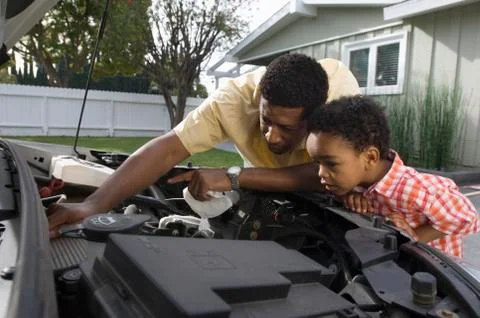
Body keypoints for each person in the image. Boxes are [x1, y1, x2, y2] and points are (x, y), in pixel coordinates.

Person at [47, 53, 361, 237]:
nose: (272, 137)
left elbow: (330, 172)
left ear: (315, 118)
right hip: (266, 196)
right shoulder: (234, 100)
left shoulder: (339, 98)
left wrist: (233, 177)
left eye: (287, 128)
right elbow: (168, 148)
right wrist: (92, 205)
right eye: (267, 121)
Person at [305, 95, 479, 258]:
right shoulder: (357, 182)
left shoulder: (415, 189)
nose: (321, 173)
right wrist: (349, 195)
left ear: (370, 157)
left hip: (436, 276)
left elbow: (466, 217)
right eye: (317, 163)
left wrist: (413, 235)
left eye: (331, 164)